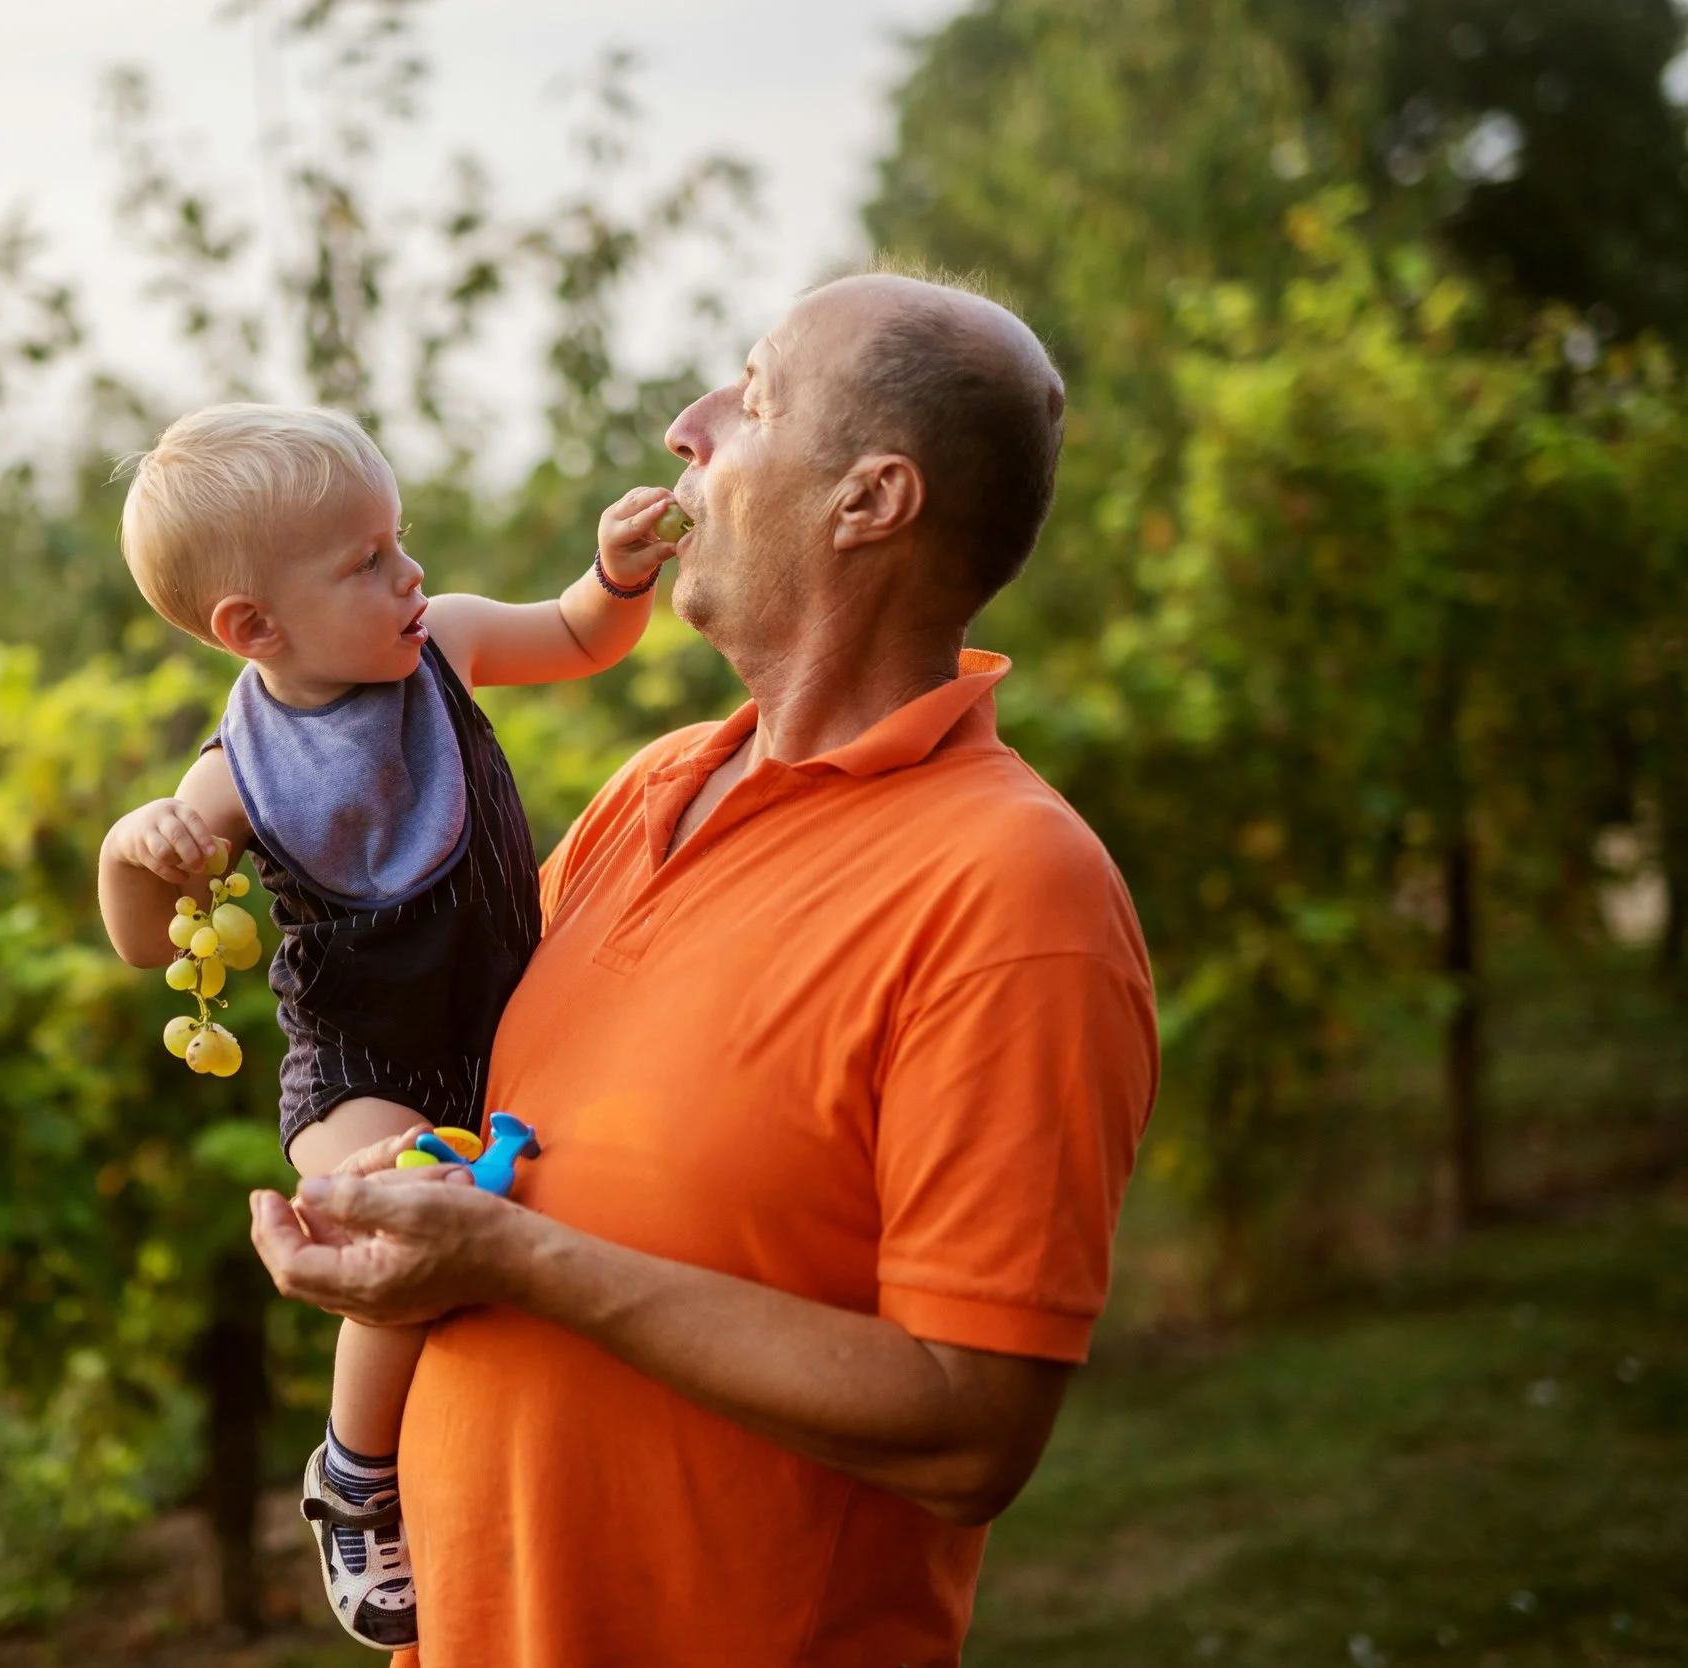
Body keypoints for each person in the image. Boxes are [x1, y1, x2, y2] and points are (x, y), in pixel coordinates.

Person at [248, 273, 1160, 1667]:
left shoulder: (1012, 892)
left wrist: (525, 1261)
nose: (689, 425)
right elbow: (466, 1093)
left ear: (871, 500)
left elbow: (969, 1429)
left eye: (755, 393)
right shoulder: (648, 792)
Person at [95, 403, 682, 1649]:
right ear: (253, 629)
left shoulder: (448, 645)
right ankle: (355, 1474)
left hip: (505, 1026)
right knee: (408, 1205)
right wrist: (130, 852)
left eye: (398, 537)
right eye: (366, 561)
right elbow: (150, 944)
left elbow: (579, 636)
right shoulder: (233, 780)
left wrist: (613, 576)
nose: (409, 572)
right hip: (358, 1070)